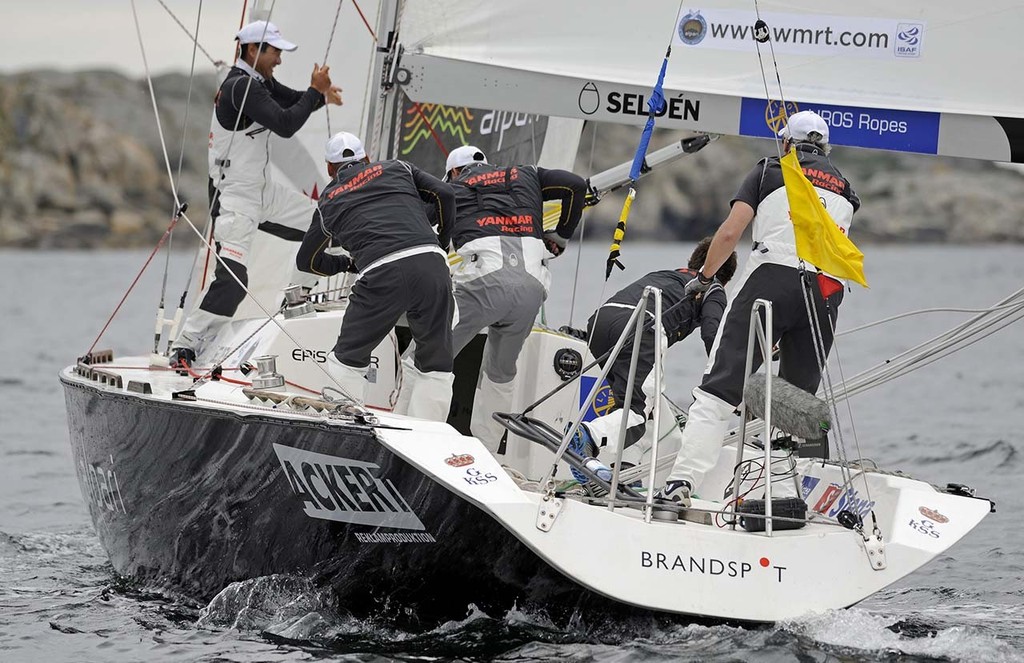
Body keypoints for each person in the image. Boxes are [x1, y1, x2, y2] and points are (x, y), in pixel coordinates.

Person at [657, 110, 860, 506]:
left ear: (787, 143)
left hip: (771, 280)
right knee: (794, 402)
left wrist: (703, 278)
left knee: (718, 389)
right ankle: (780, 497)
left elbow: (731, 231)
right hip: (827, 293)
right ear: (825, 147)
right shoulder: (847, 188)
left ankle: (681, 483)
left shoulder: (770, 168)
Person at [171, 20, 342, 367]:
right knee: (233, 283)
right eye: (275, 51)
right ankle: (184, 347)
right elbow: (284, 123)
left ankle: (297, 299)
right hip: (235, 200)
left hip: (260, 192)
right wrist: (315, 91)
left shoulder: (258, 83)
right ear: (253, 50)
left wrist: (320, 97)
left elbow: (293, 102)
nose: (279, 59)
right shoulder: (239, 87)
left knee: (330, 223)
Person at [295, 132, 457, 421]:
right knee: (435, 366)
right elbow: (445, 193)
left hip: (381, 274)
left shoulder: (329, 200)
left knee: (347, 360)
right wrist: (442, 242)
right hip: (432, 265)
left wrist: (346, 264)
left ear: (330, 169)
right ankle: (429, 441)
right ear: (367, 158)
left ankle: (347, 431)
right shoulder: (399, 167)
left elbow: (307, 261)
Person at [441, 146, 588, 452]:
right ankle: (485, 453)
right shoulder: (528, 174)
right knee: (500, 371)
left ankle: (412, 436)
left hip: (483, 284)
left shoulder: (452, 187)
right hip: (531, 288)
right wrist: (560, 235)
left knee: (431, 357)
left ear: (455, 171)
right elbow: (576, 185)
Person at [572, 237, 737, 470]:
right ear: (726, 277)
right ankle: (589, 435)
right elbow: (713, 334)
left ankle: (625, 470)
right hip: (641, 327)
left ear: (692, 260)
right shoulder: (712, 287)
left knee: (640, 408)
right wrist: (728, 380)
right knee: (637, 413)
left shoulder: (667, 274)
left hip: (600, 322)